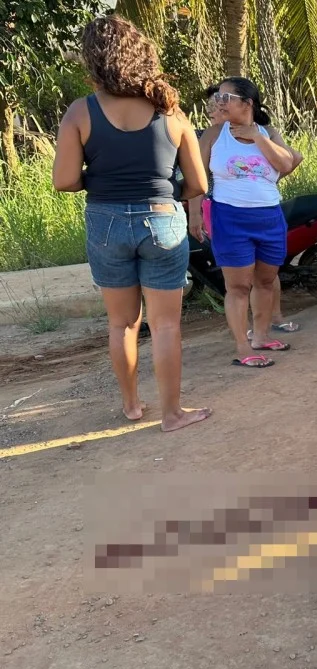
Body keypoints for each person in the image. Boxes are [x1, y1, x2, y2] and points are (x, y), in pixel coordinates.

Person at [52, 15, 211, 432]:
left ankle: (132, 405)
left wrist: (102, 181)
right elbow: (198, 184)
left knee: (121, 323)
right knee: (166, 323)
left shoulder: (80, 112)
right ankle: (173, 414)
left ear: (93, 60)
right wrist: (163, 193)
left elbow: (64, 180)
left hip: (106, 220)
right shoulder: (170, 111)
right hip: (161, 220)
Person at [197, 77, 298, 368]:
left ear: (247, 103)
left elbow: (287, 163)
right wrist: (194, 215)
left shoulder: (268, 133)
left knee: (265, 281)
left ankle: (262, 336)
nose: (220, 102)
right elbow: (199, 178)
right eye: (219, 97)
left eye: (226, 97)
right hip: (230, 217)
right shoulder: (214, 135)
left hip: (268, 216)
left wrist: (257, 137)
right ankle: (243, 346)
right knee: (238, 287)